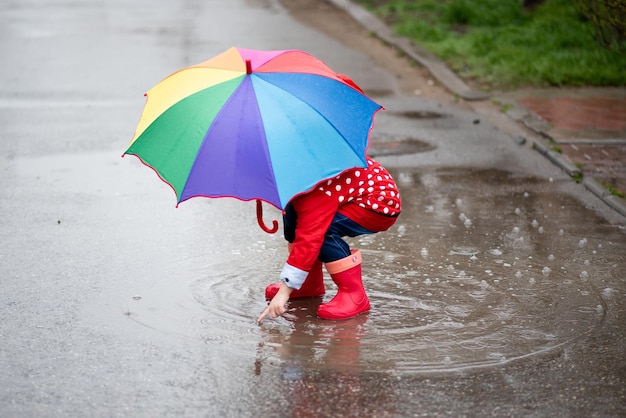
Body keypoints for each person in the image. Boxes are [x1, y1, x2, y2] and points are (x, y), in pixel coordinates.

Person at [257, 157, 401, 322]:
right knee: (292, 214)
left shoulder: (314, 187)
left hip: (377, 203)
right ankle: (308, 285)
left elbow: (310, 238)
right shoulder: (299, 175)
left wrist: (284, 292)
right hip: (349, 192)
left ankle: (354, 294)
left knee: (322, 232)